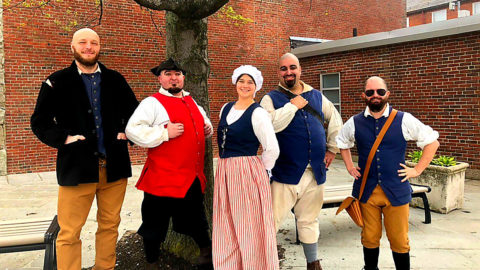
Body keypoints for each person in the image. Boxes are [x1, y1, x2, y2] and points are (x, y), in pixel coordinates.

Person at [30, 28, 138, 270]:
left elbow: (134, 113)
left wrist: (126, 131)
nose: (89, 47)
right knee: (69, 232)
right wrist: (64, 138)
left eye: (94, 43)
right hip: (76, 169)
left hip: (114, 167)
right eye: (83, 42)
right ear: (72, 46)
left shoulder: (115, 79)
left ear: (100, 47)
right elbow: (39, 121)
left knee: (110, 226)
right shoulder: (56, 81)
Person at [336, 76, 440, 270]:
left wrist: (417, 169)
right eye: (370, 92)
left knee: (399, 239)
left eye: (380, 92)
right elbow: (342, 143)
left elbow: (432, 142)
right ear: (364, 96)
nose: (375, 95)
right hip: (366, 190)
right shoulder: (355, 121)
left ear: (387, 94)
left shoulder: (404, 119)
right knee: (369, 237)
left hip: (396, 190)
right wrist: (350, 166)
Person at [125, 58, 214, 269]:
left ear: (183, 77)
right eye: (168, 74)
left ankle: (207, 255)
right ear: (160, 78)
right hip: (161, 177)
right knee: (154, 225)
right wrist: (164, 132)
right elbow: (132, 130)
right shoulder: (151, 103)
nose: (173, 78)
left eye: (177, 74)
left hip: (189, 176)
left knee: (197, 220)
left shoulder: (193, 101)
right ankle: (152, 263)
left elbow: (203, 122)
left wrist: (207, 128)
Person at [260, 52, 343, 270]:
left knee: (309, 220)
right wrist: (293, 106)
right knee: (270, 222)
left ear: (300, 69)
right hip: (285, 171)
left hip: (315, 171)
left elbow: (335, 120)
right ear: (278, 72)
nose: (289, 72)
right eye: (284, 68)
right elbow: (270, 126)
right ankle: (264, 262)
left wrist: (332, 149)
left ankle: (312, 263)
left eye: (292, 67)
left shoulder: (316, 95)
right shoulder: (269, 98)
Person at [212, 65, 280, 269]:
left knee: (248, 225)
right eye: (241, 81)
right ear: (235, 83)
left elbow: (272, 148)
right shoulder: (226, 108)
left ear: (256, 86)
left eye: (250, 82)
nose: (245, 85)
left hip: (247, 172)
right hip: (224, 171)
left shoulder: (258, 113)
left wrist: (260, 171)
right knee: (227, 222)